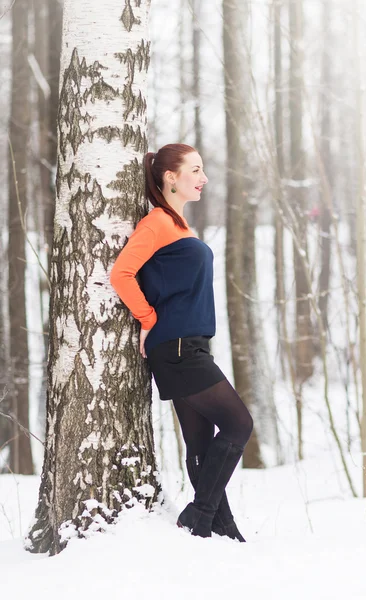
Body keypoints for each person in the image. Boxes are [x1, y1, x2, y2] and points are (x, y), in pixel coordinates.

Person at [110, 143, 253, 540]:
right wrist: (147, 317)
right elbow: (122, 273)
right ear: (170, 177)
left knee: (201, 443)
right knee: (239, 424)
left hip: (185, 346)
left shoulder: (178, 226)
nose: (203, 178)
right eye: (195, 169)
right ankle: (199, 513)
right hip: (175, 347)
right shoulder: (156, 221)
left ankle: (222, 529)